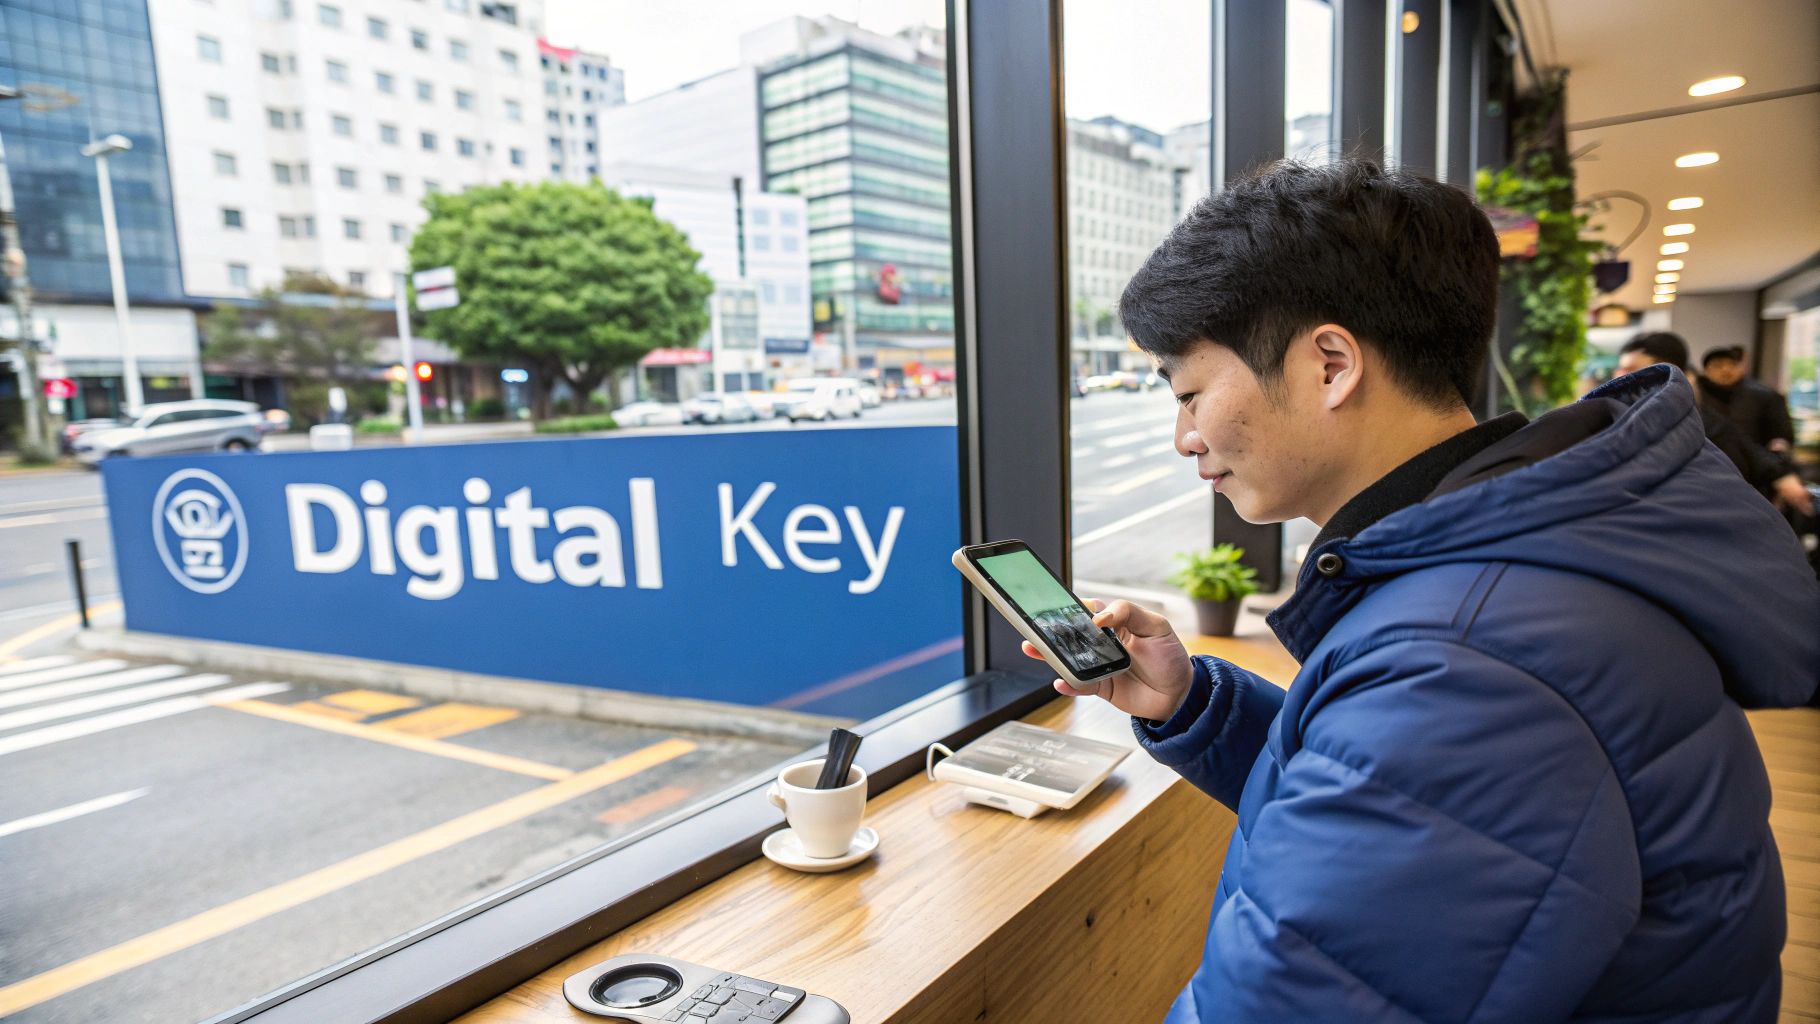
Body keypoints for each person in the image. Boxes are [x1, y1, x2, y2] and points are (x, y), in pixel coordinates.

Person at [1024, 159, 1820, 1023]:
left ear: (1331, 364)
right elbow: (1397, 807)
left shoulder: (1468, 666)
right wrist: (1193, 705)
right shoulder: (1516, 570)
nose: (1185, 437)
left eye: (1190, 395)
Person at [1616, 333, 1812, 517]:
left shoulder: (1706, 410)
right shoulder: (1624, 413)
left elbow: (1738, 442)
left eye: (1632, 371)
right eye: (1621, 370)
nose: (1620, 378)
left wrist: (1781, 474)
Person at [1700, 345, 1797, 455]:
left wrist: (1780, 445)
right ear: (1706, 371)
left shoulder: (1765, 395)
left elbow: (1782, 434)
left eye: (1732, 364)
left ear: (1741, 368)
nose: (1726, 370)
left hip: (1755, 462)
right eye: (1718, 365)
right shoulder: (1696, 396)